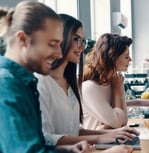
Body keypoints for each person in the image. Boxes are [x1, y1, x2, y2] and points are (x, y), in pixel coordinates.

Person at [36, 13, 138, 149]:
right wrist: (103, 136)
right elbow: (46, 138)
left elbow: (72, 131)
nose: (82, 46)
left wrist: (112, 134)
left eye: (83, 41)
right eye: (76, 39)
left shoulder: (69, 83)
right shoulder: (41, 82)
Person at [0, 1, 90, 152]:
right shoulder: (7, 85)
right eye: (52, 44)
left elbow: (37, 145)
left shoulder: (25, 83)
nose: (59, 54)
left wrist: (66, 150)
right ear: (23, 39)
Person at [82, 33, 132, 130]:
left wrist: (108, 126)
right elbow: (117, 123)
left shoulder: (115, 81)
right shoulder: (89, 87)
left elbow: (124, 121)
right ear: (112, 57)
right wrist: (117, 90)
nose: (130, 60)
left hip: (112, 141)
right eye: (126, 57)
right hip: (94, 144)